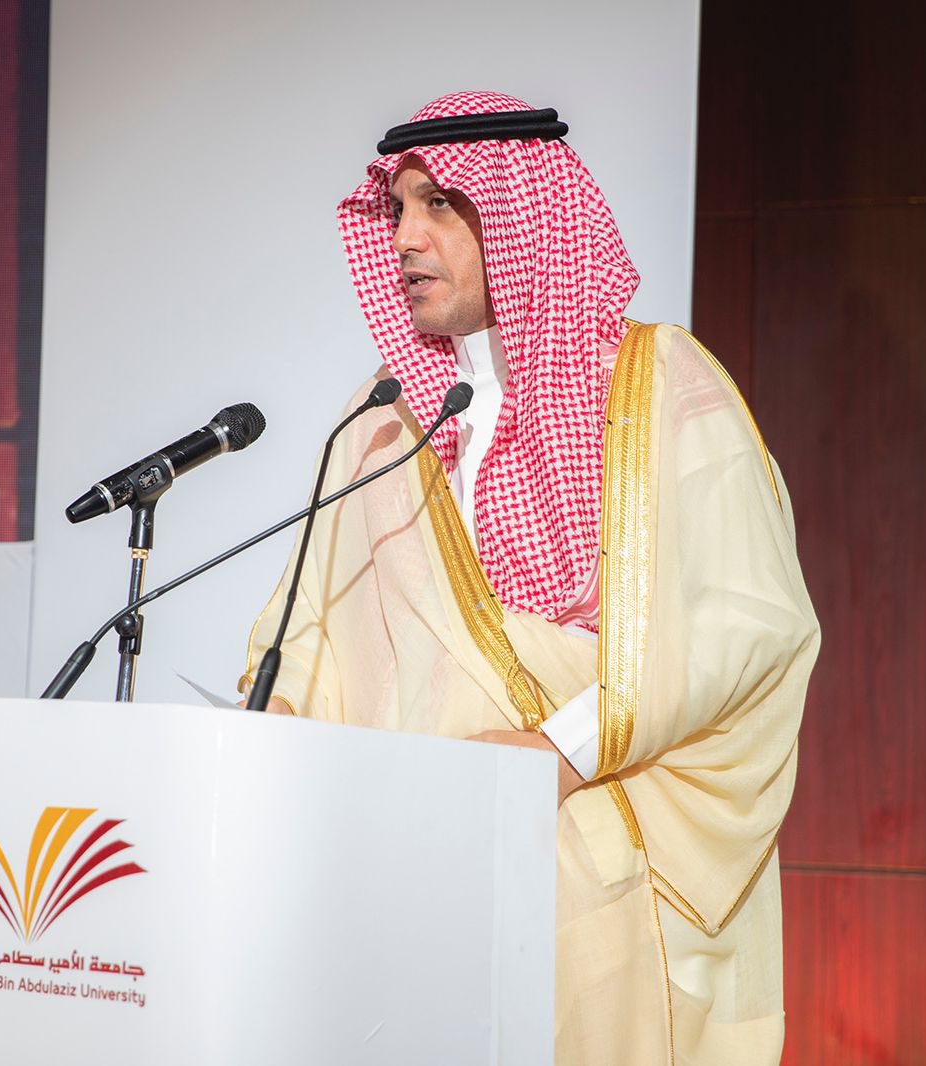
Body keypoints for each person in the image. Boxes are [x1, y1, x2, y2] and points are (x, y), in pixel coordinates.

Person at [241, 90, 820, 1065]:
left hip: (588, 864)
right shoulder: (384, 420)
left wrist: (557, 750)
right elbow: (309, 631)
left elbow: (744, 623)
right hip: (410, 873)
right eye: (396, 209)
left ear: (519, 212)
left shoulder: (659, 383)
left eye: (440, 204)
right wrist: (269, 734)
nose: (406, 239)